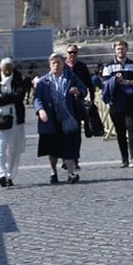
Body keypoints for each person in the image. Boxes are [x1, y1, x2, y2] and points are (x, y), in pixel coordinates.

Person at [33, 52, 86, 184]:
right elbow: (37, 98)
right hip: (50, 118)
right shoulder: (43, 81)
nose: (56, 65)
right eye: (53, 63)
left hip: (67, 117)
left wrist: (78, 91)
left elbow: (83, 88)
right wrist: (40, 110)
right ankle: (53, 172)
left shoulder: (70, 77)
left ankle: (71, 174)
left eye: (58, 62)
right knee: (52, 148)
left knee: (68, 146)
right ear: (49, 65)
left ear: (63, 64)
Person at [101, 41, 133, 168]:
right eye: (118, 49)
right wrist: (115, 80)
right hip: (116, 103)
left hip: (131, 103)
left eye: (123, 49)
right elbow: (104, 84)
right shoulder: (108, 67)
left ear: (127, 50)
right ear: (115, 50)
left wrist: (127, 81)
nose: (121, 51)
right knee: (120, 132)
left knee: (132, 129)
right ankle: (124, 158)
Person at [0, 58, 27, 187]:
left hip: (15, 118)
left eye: (10, 68)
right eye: (5, 69)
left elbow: (20, 96)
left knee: (14, 149)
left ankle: (10, 175)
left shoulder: (18, 78)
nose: (8, 71)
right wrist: (11, 97)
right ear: (1, 69)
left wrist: (3, 97)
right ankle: (0, 174)